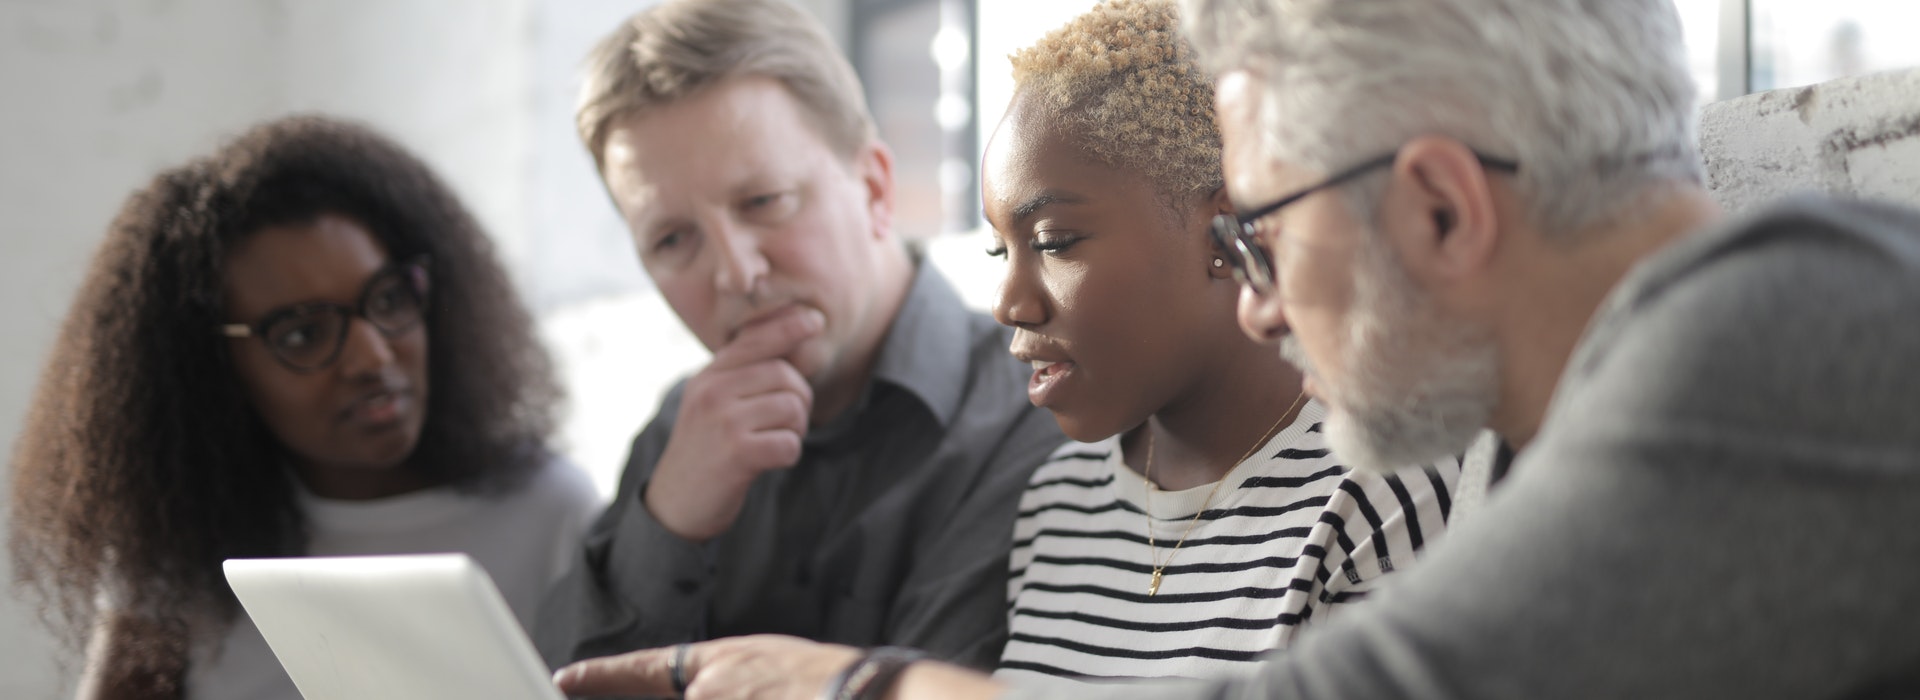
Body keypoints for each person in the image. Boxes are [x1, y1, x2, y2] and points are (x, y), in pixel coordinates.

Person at [548, 0, 1920, 698]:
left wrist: (855, 686)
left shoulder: (1774, 326)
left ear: (1439, 203)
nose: (1258, 305)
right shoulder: (1548, 444)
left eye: (1260, 230)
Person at [530, 0, 1065, 674]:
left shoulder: (1037, 411)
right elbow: (553, 684)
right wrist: (666, 527)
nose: (736, 273)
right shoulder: (680, 430)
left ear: (874, 187)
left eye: (763, 202)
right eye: (672, 239)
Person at [8, 115, 602, 700]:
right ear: (212, 373)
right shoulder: (181, 539)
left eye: (389, 299)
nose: (372, 356)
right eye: (302, 334)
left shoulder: (549, 513)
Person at [986, 0, 1456, 683]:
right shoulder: (1056, 503)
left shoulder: (1381, 492)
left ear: (1227, 236)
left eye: (1054, 242)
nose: (1008, 303)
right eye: (998, 250)